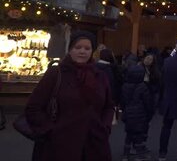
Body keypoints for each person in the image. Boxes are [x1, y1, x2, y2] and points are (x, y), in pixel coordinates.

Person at [25, 31, 114, 161]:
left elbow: (108, 106)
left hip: (94, 144)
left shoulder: (99, 76)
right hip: (59, 146)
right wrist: (50, 130)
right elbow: (33, 107)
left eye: (87, 48)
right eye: (78, 47)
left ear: (92, 51)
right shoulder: (56, 73)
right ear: (70, 50)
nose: (82, 51)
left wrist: (105, 127)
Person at [121, 64, 154, 160]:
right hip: (140, 114)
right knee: (139, 134)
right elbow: (147, 102)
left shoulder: (125, 86)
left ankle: (125, 154)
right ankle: (139, 155)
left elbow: (122, 101)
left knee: (129, 134)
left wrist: (124, 110)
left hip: (128, 113)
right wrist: (149, 114)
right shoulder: (143, 87)